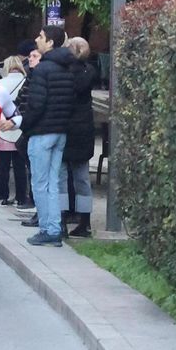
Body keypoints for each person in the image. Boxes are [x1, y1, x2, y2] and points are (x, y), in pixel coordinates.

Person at [18, 25, 76, 247]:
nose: (37, 39)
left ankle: (46, 228)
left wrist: (26, 126)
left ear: (50, 42)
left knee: (40, 183)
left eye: (41, 36)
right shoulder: (67, 67)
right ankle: (55, 228)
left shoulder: (42, 69)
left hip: (41, 132)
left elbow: (36, 104)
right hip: (60, 131)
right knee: (53, 182)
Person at [61, 37, 97, 239]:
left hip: (66, 128)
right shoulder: (90, 72)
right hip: (84, 130)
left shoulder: (66, 73)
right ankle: (85, 221)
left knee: (61, 178)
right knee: (82, 178)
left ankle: (62, 219)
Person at [0, 56, 30, 207]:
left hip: (3, 128)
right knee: (20, 166)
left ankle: (2, 195)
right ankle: (21, 197)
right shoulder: (27, 82)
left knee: (3, 166)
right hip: (20, 128)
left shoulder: (0, 84)